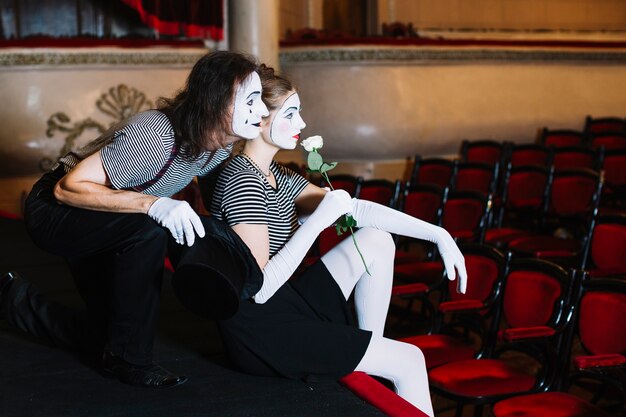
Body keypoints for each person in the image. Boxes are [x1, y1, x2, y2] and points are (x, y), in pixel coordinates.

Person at [208, 65, 467, 416]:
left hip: (285, 304)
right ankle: (375, 361)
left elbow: (357, 210)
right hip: (260, 329)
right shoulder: (243, 181)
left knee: (377, 239)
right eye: (292, 114)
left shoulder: (274, 174)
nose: (301, 124)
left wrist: (438, 234)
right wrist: (316, 224)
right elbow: (260, 289)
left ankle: (368, 357)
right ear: (261, 120)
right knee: (410, 359)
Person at [0, 51, 269, 388]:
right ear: (214, 102)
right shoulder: (155, 135)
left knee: (105, 333)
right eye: (252, 100)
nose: (262, 111)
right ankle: (131, 361)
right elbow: (67, 189)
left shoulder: (217, 146)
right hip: (57, 211)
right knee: (151, 230)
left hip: (113, 220)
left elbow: (225, 210)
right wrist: (154, 205)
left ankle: (12, 299)